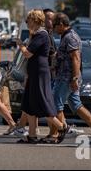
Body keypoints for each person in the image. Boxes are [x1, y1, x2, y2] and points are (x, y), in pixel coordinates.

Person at [44, 13, 91, 144]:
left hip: (67, 78)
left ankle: (58, 132)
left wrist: (75, 78)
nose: (53, 29)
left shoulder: (70, 37)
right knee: (76, 105)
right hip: (66, 77)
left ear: (61, 25)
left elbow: (76, 57)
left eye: (55, 26)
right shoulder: (66, 36)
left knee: (55, 104)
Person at [17, 9, 69, 144]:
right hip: (34, 73)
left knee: (43, 102)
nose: (27, 22)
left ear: (35, 20)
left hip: (40, 73)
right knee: (29, 104)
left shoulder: (42, 34)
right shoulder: (36, 34)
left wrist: (21, 45)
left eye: (28, 20)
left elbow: (28, 53)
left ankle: (61, 127)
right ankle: (32, 135)